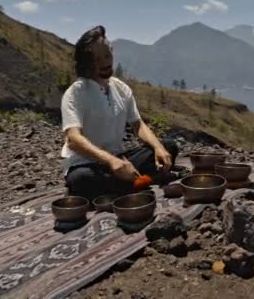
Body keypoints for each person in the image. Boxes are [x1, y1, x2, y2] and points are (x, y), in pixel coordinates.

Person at [61, 25, 179, 200]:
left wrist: (158, 147)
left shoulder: (121, 88)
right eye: (97, 59)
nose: (105, 62)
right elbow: (73, 139)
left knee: (169, 146)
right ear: (86, 62)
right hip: (87, 163)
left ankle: (123, 183)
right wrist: (111, 161)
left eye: (107, 55)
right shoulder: (76, 92)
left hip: (121, 159)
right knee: (81, 179)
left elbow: (138, 125)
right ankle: (134, 181)